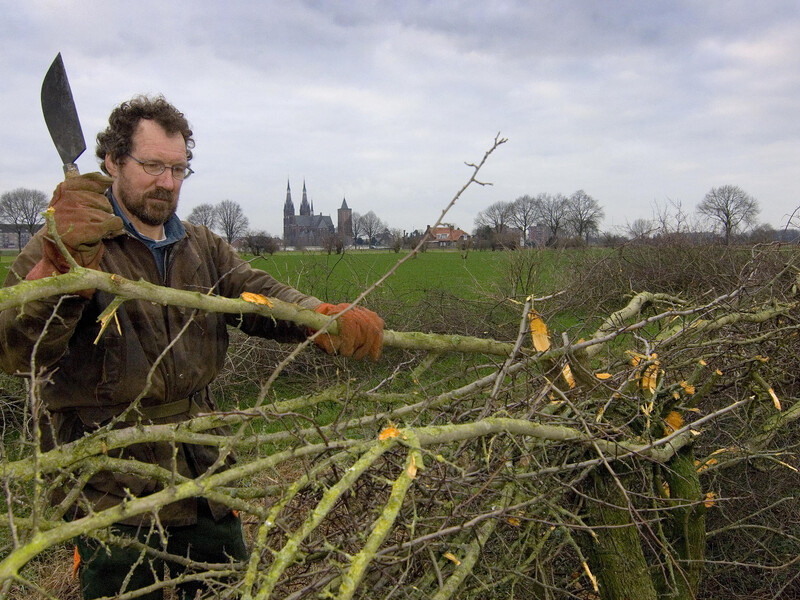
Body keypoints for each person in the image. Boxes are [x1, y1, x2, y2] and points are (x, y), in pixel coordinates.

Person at [0, 95, 384, 599]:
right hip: (110, 482)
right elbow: (15, 351)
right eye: (153, 165)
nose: (167, 182)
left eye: (179, 168)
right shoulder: (65, 240)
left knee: (225, 590)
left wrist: (321, 318)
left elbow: (258, 293)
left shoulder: (202, 246)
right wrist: (62, 269)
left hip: (204, 472)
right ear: (112, 162)